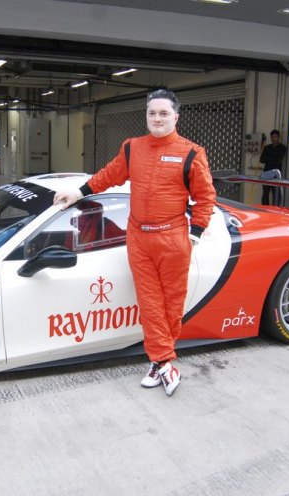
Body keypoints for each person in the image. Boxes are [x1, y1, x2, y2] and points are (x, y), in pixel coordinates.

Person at [53, 89, 216, 396]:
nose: (157, 118)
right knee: (149, 303)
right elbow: (109, 175)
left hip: (173, 238)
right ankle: (165, 362)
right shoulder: (132, 148)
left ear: (175, 117)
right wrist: (78, 192)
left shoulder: (191, 153)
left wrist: (196, 231)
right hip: (138, 238)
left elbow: (206, 197)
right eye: (152, 113)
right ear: (146, 116)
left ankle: (159, 362)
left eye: (164, 113)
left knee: (171, 305)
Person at [258, 129, 287, 205]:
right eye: (272, 137)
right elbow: (262, 160)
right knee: (265, 194)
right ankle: (264, 210)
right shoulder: (267, 148)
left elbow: (278, 160)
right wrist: (271, 158)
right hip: (266, 173)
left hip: (276, 175)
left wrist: (268, 158)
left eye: (275, 137)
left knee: (276, 194)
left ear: (278, 137)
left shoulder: (282, 148)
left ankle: (275, 210)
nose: (273, 139)